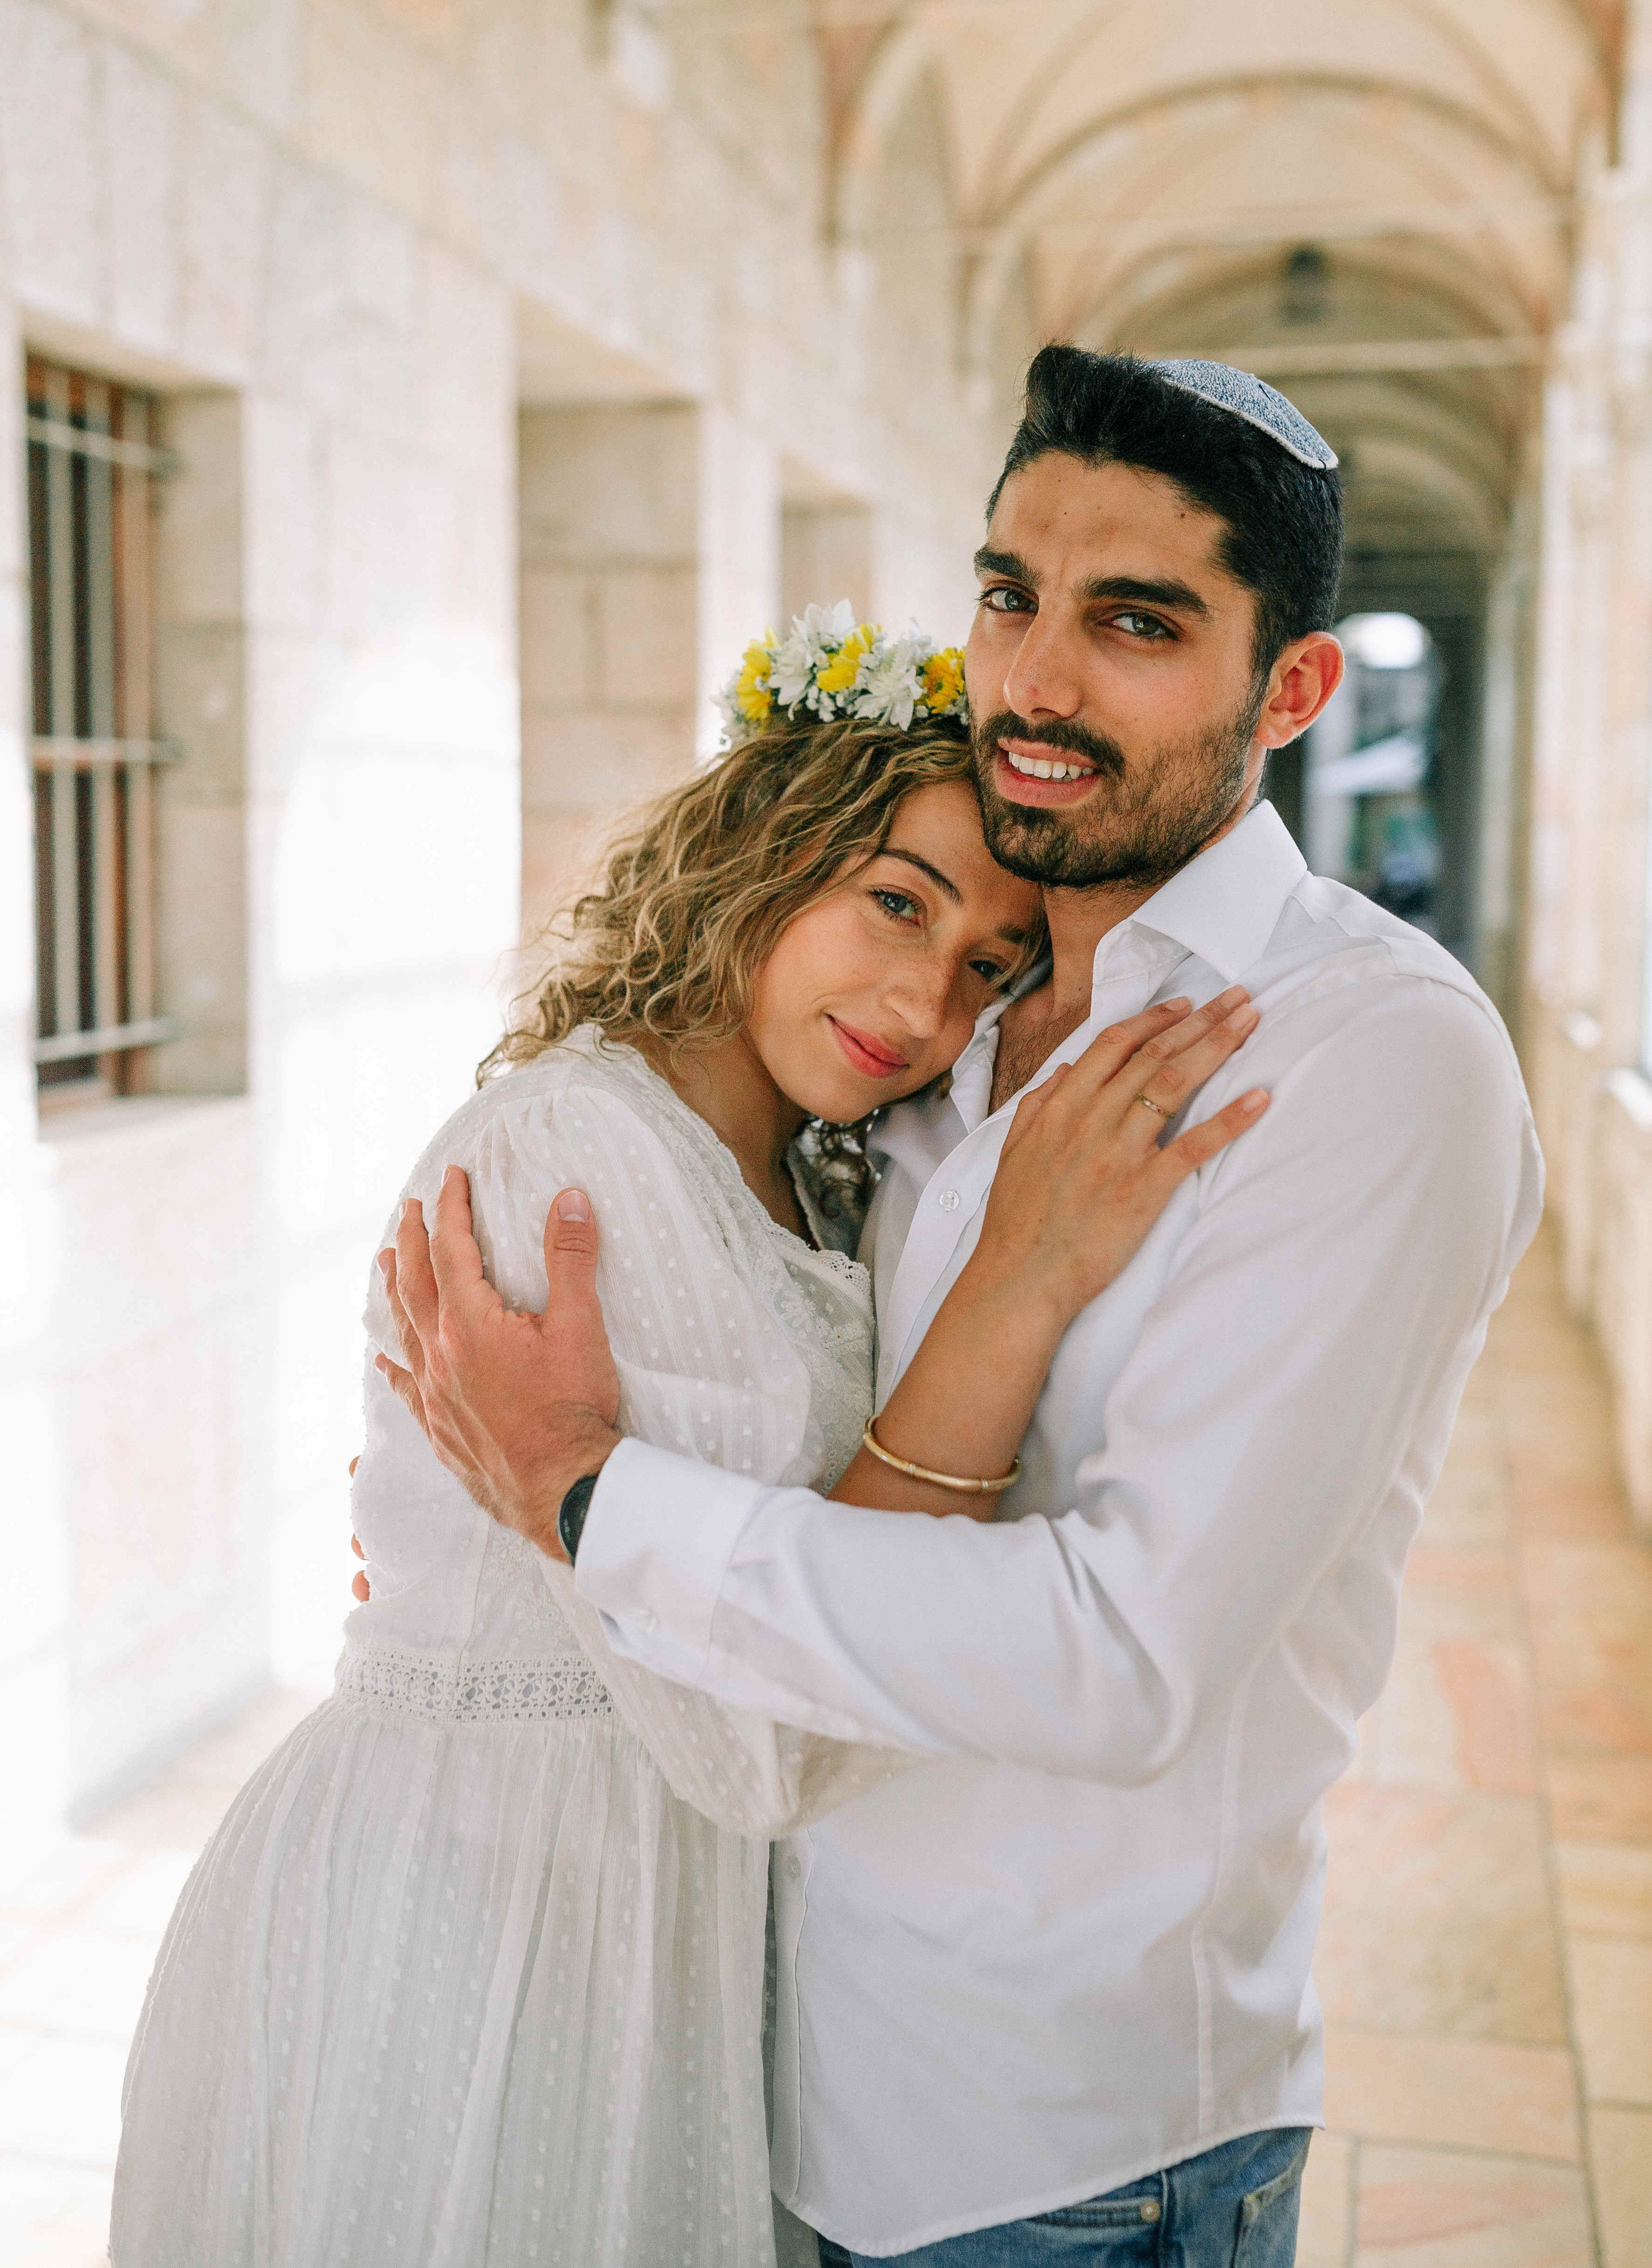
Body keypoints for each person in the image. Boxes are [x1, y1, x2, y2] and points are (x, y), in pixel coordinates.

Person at [377, 349, 1544, 2265]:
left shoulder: (1372, 1060)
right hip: (755, 2062)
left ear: (1296, 688)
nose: (1039, 680)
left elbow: (1122, 1654)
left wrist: (585, 1505)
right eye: (1010, 597)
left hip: (1057, 2146)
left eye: (1137, 624)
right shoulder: (955, 1020)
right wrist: (492, 1571)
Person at [111, 607, 1267, 2268]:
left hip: (646, 1906)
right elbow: (761, 1744)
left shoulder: (807, 1169)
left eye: (985, 969)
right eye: (894, 901)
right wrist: (1021, 1271)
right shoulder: (583, 1153)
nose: (922, 1000)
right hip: (482, 1909)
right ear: (762, 852)